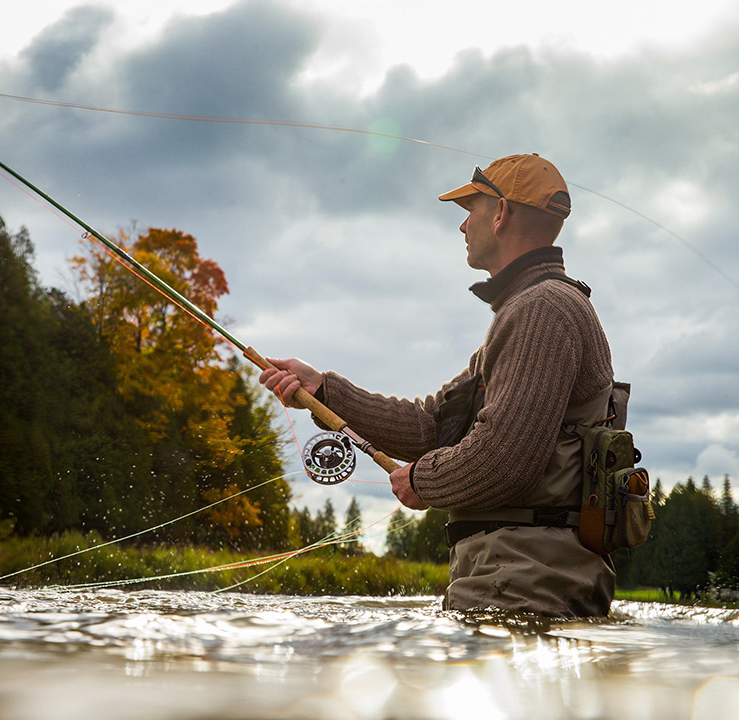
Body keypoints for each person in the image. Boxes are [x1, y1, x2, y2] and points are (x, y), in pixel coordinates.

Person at [259, 154, 617, 617]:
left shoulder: (542, 310)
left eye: (472, 210)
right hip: (514, 580)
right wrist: (325, 389)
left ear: (502, 214)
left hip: (525, 586)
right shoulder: (528, 310)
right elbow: (434, 426)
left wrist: (423, 481)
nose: (463, 226)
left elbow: (507, 458)